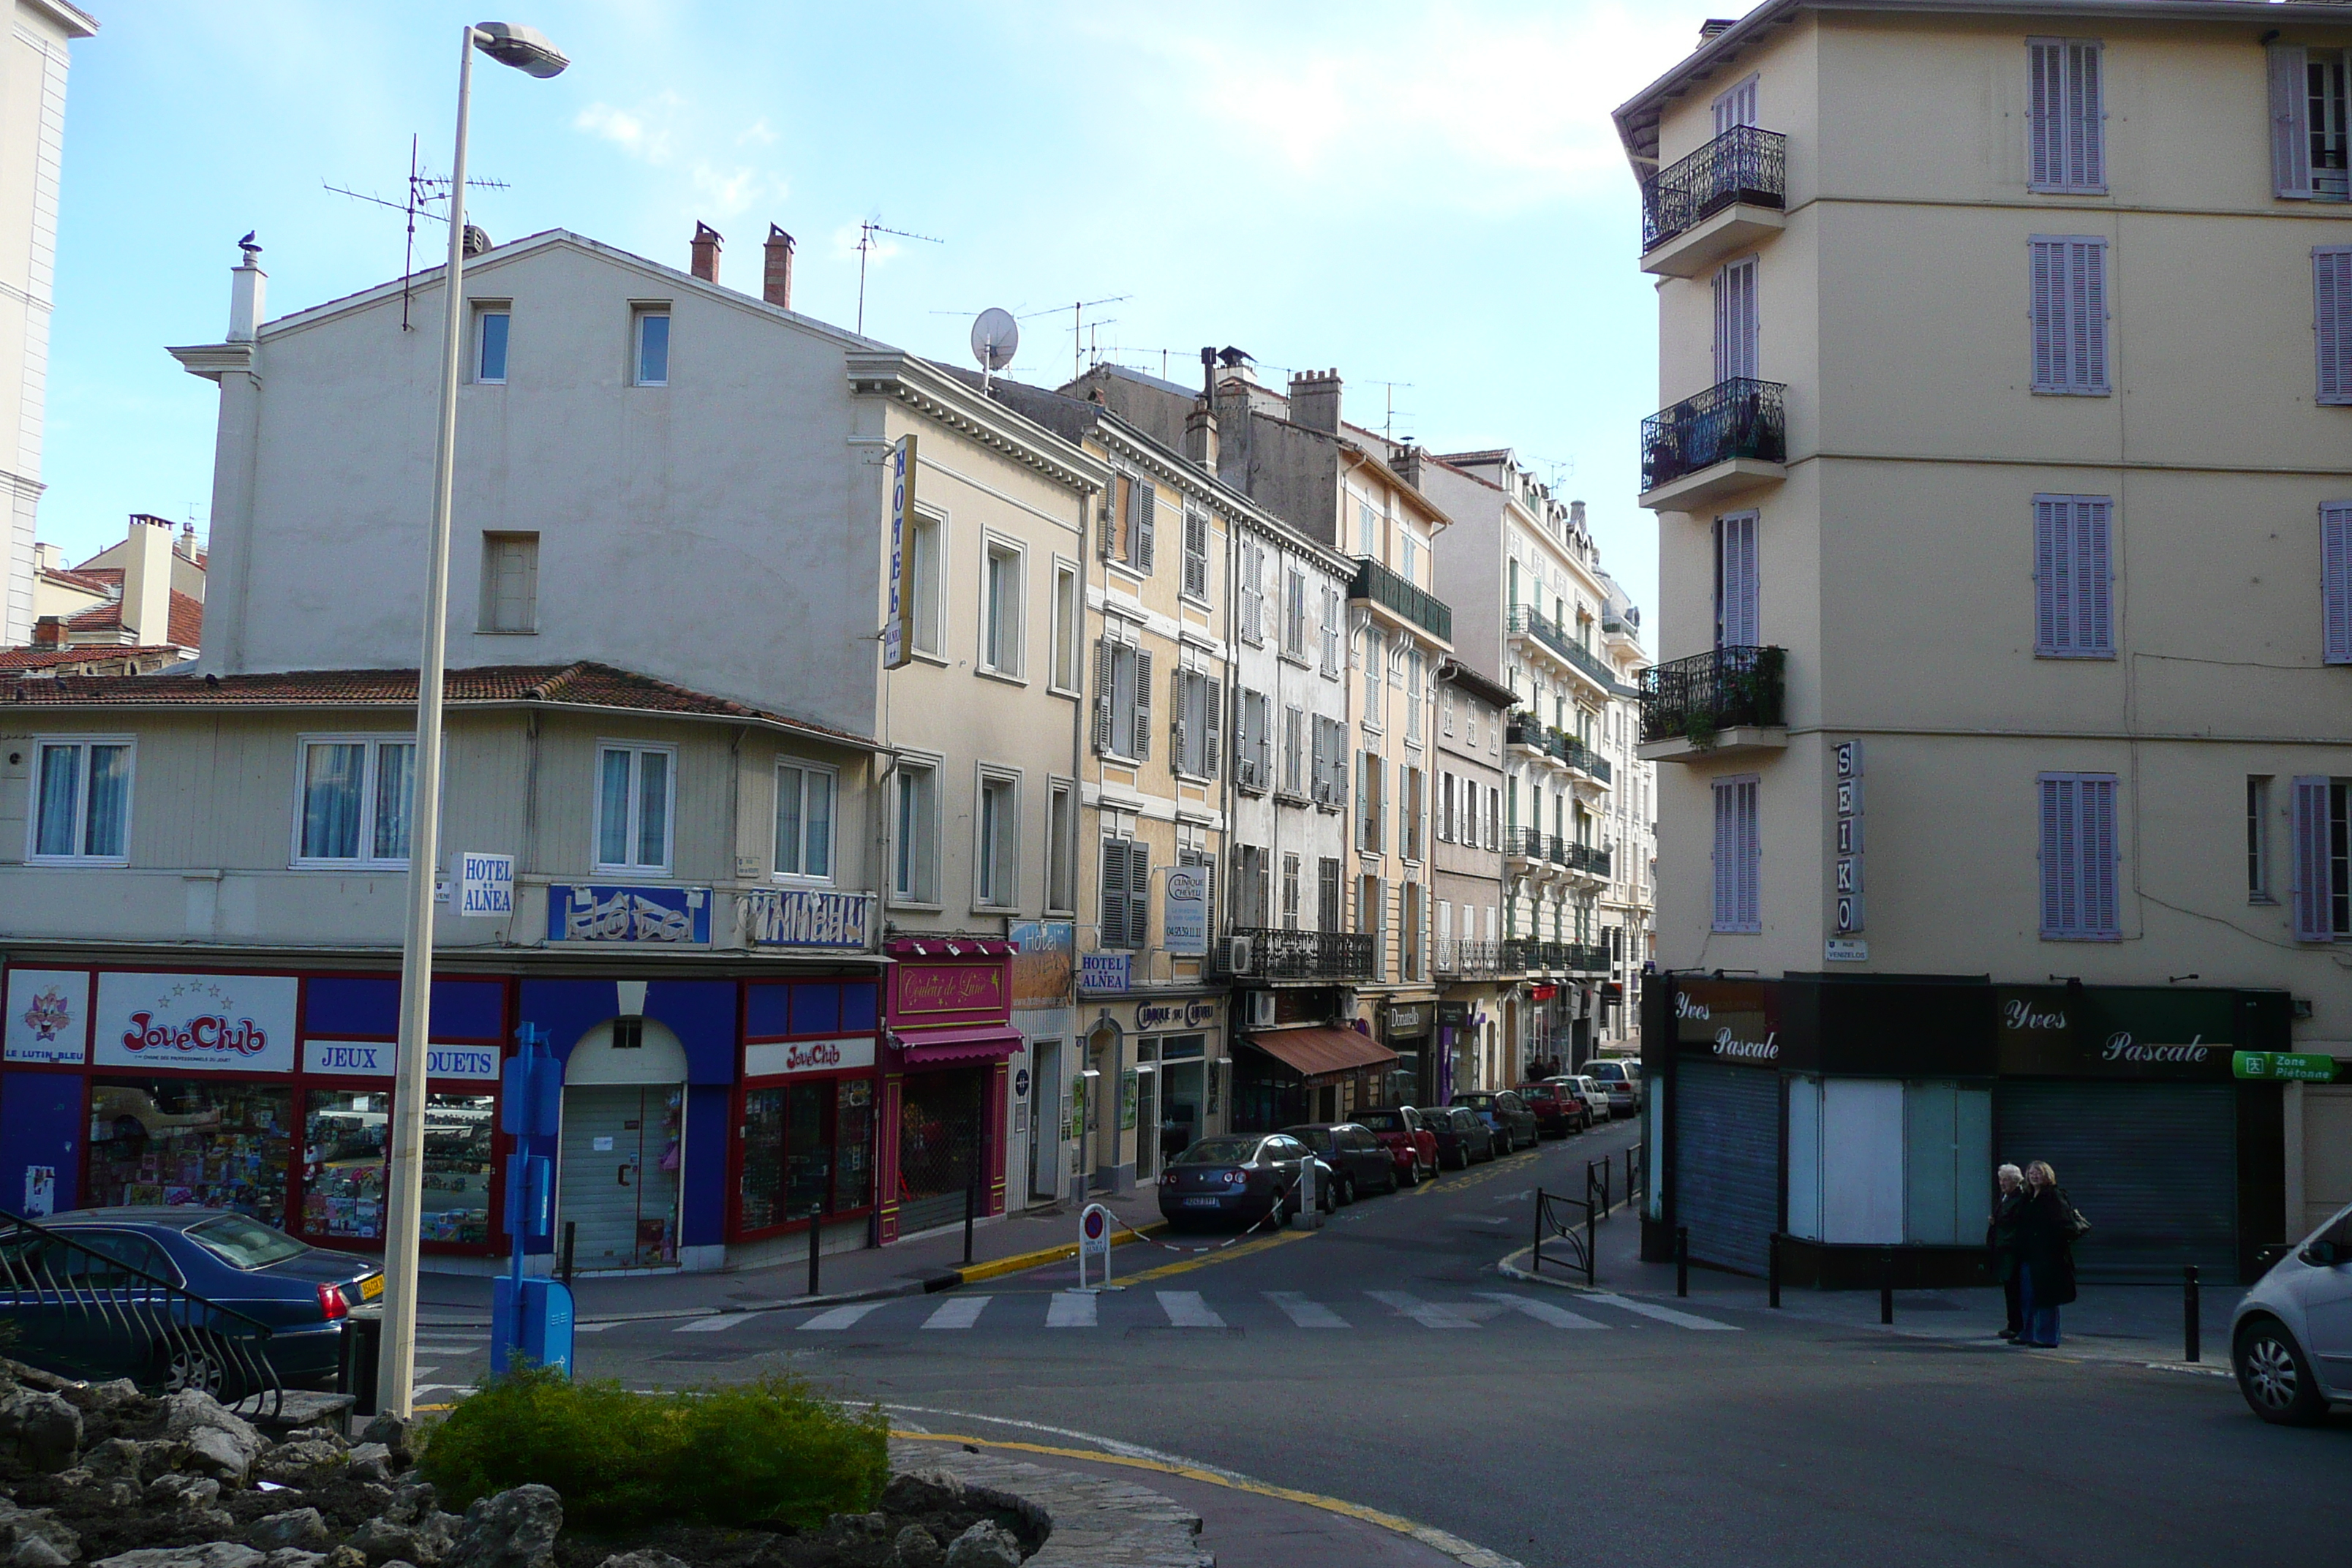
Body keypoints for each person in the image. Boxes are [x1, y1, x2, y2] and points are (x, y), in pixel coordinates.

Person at [2015, 1159, 2082, 1348]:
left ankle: (2047, 1337)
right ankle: (2027, 1333)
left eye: (2038, 1172)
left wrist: (2048, 1241)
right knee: (2027, 1297)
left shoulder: (2054, 1197)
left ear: (2047, 1175)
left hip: (2048, 1258)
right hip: (2029, 1255)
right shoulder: (2028, 1197)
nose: (2034, 1176)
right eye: (2031, 1173)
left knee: (2046, 1298)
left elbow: (2065, 1226)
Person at [1988, 1164, 2027, 1340]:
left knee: (2014, 1290)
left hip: (2011, 1252)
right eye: (2001, 1179)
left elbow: (2017, 1226)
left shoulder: (2019, 1199)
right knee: (2009, 1289)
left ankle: (2016, 1326)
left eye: (2006, 1180)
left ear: (2016, 1181)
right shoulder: (2005, 1197)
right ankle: (2013, 1324)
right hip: (2003, 1251)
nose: (2002, 1183)